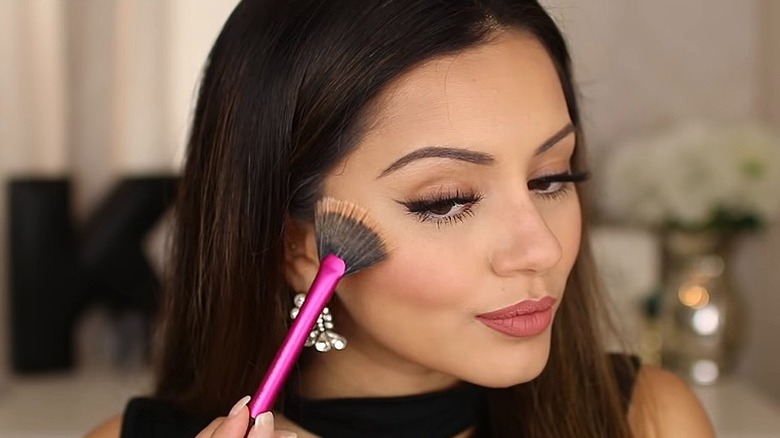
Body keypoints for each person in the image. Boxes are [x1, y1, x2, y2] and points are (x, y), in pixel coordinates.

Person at [87, 0, 716, 437]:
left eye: (551, 178)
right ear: (297, 247)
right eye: (445, 200)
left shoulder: (647, 421)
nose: (541, 248)